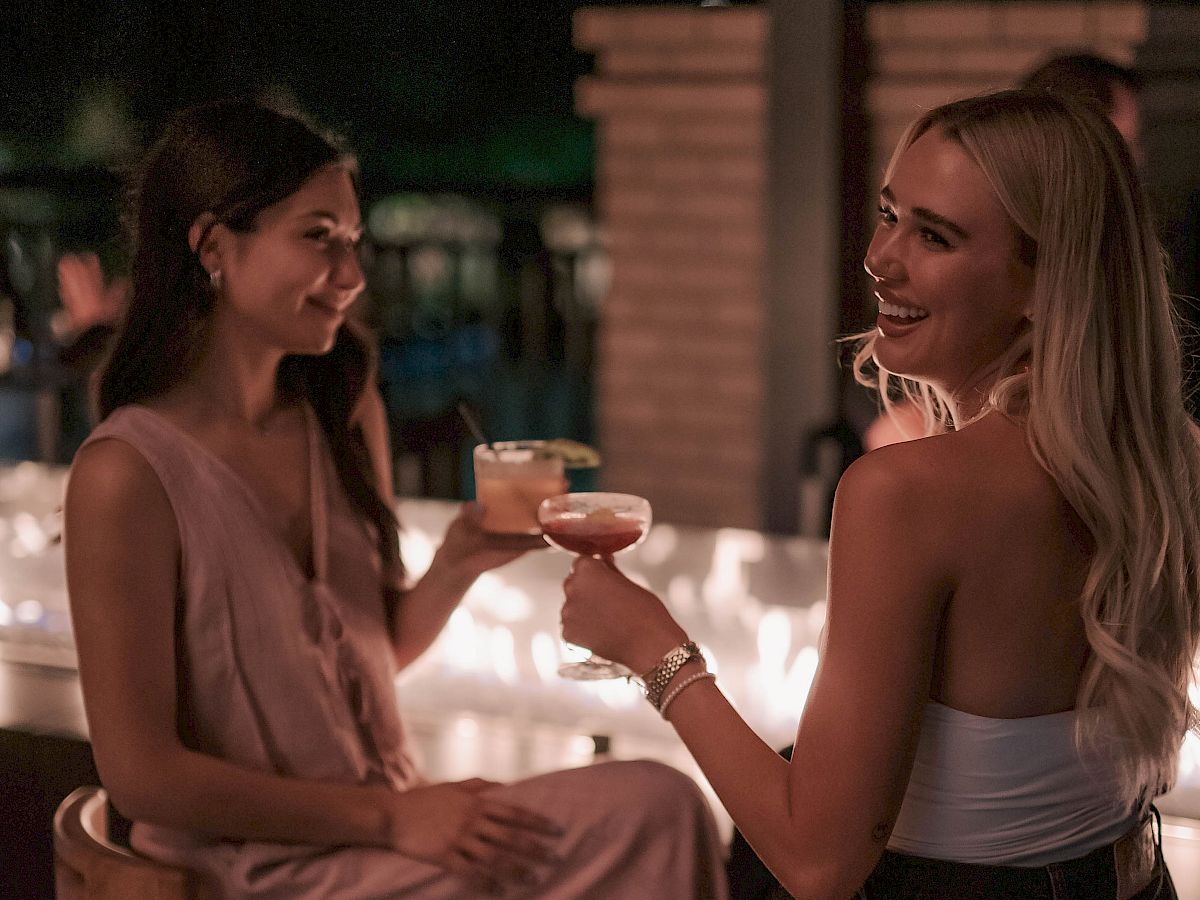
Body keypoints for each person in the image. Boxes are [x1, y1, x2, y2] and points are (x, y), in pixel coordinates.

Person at [63, 99, 725, 899]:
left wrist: (456, 564)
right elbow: (141, 777)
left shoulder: (342, 416)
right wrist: (394, 819)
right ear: (212, 247)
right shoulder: (126, 475)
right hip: (254, 874)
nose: (352, 277)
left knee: (664, 806)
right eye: (319, 238)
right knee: (657, 806)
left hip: (392, 846)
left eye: (353, 242)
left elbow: (361, 659)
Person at [561, 89, 1200, 898]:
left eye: (935, 235)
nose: (880, 257)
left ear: (1047, 283)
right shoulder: (1165, 458)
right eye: (890, 213)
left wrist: (655, 650)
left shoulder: (905, 494)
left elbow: (819, 860)